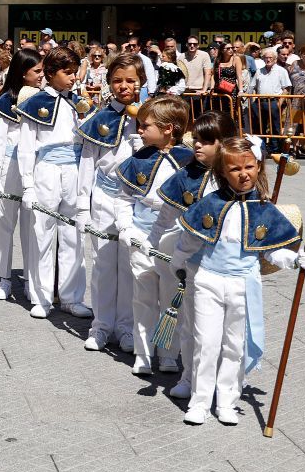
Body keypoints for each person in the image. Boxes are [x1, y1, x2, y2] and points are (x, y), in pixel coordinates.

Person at [174, 136, 305, 426]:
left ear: (258, 167)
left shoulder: (263, 208)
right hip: (208, 281)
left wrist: (295, 259)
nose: (243, 174)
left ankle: (227, 400)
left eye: (249, 167)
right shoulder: (210, 204)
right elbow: (188, 240)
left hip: (244, 283)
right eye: (235, 169)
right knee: (206, 342)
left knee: (234, 344)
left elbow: (272, 252)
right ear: (222, 173)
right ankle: (200, 401)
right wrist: (177, 264)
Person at [149, 109, 237, 400]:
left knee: (228, 331)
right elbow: (165, 216)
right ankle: (190, 375)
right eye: (196, 139)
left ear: (224, 143)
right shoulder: (186, 175)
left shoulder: (239, 177)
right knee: (191, 324)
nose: (197, 145)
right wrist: (153, 244)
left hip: (228, 265)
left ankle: (226, 383)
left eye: (207, 141)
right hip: (191, 263)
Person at [115, 95, 192, 377]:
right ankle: (143, 352)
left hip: (175, 235)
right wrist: (126, 228)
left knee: (172, 296)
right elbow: (123, 198)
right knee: (143, 294)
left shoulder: (189, 162)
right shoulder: (137, 159)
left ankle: (169, 352)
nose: (139, 130)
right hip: (142, 231)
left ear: (169, 128)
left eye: (145, 125)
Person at [74, 53, 145, 353]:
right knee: (103, 264)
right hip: (104, 197)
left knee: (130, 266)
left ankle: (126, 327)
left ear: (141, 82)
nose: (124, 86)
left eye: (130, 80)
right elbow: (88, 163)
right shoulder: (99, 120)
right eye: (117, 80)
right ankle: (101, 326)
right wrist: (82, 206)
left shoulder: (148, 118)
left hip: (134, 201)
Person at [17, 46, 90, 320]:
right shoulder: (35, 104)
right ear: (50, 73)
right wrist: (27, 185)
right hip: (46, 169)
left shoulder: (77, 102)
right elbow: (26, 147)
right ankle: (42, 296)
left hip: (73, 168)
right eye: (67, 73)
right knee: (42, 235)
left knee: (73, 235)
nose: (73, 78)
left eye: (74, 72)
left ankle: (72, 297)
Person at [0, 47, 43, 303]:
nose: (42, 75)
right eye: (37, 71)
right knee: (6, 223)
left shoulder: (43, 99)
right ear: (23, 72)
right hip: (10, 166)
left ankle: (31, 280)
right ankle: (4, 278)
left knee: (32, 226)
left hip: (35, 168)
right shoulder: (5, 101)